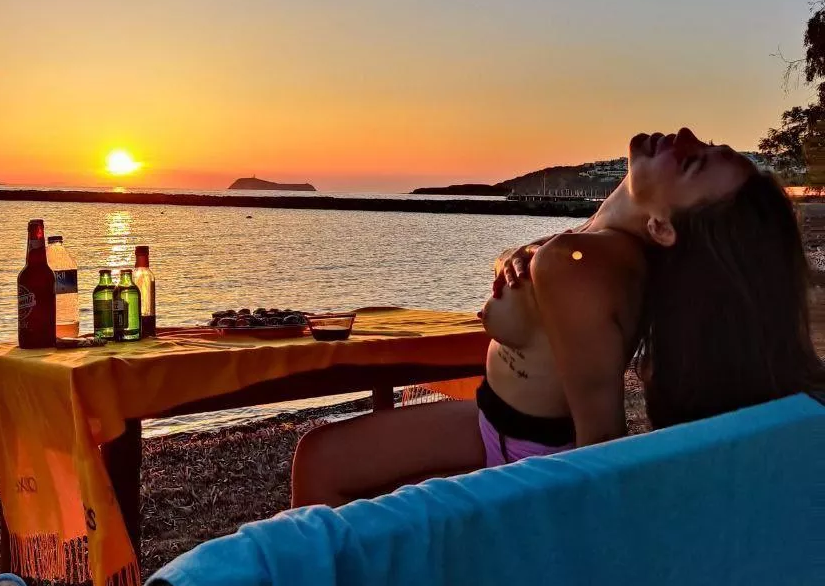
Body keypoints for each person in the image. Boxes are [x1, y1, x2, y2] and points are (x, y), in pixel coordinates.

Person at [291, 128, 820, 507]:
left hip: (531, 457)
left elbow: (600, 440)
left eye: (692, 162)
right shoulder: (608, 237)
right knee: (322, 457)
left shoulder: (581, 269)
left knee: (321, 465)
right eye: (704, 145)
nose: (683, 135)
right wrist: (518, 258)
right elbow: (553, 260)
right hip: (492, 422)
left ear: (664, 229)